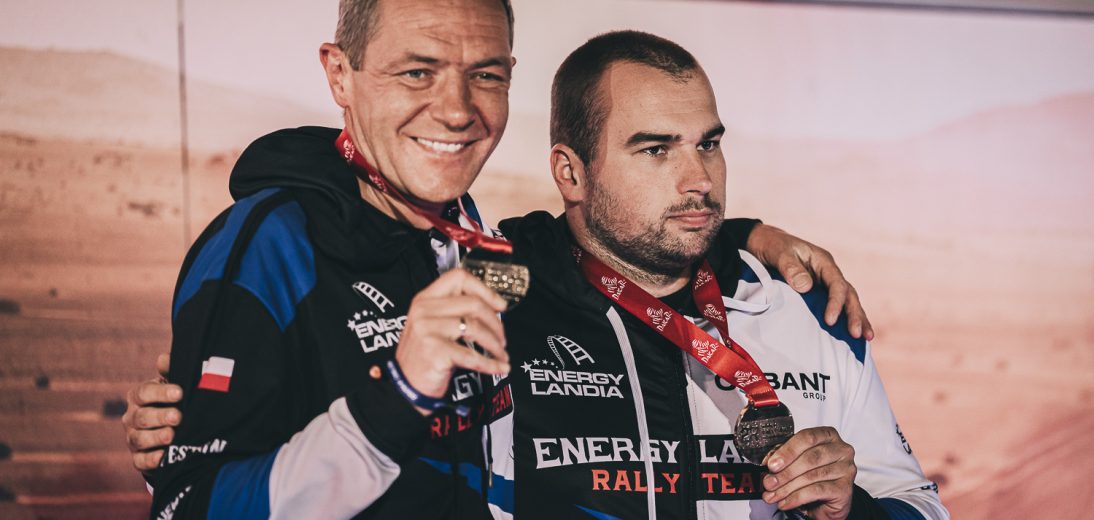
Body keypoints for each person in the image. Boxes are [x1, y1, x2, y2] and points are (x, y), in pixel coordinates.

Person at [129, 1, 874, 518]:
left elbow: (619, 238)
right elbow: (191, 505)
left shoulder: (476, 241)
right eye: (417, 72)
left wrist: (740, 235)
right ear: (340, 75)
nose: (458, 110)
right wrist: (399, 392)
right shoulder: (269, 240)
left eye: (485, 74)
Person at [478, 31, 946, 519]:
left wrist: (853, 513)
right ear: (571, 173)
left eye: (708, 144)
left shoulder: (806, 307)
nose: (700, 179)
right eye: (656, 149)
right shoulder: (495, 306)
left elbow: (921, 505)